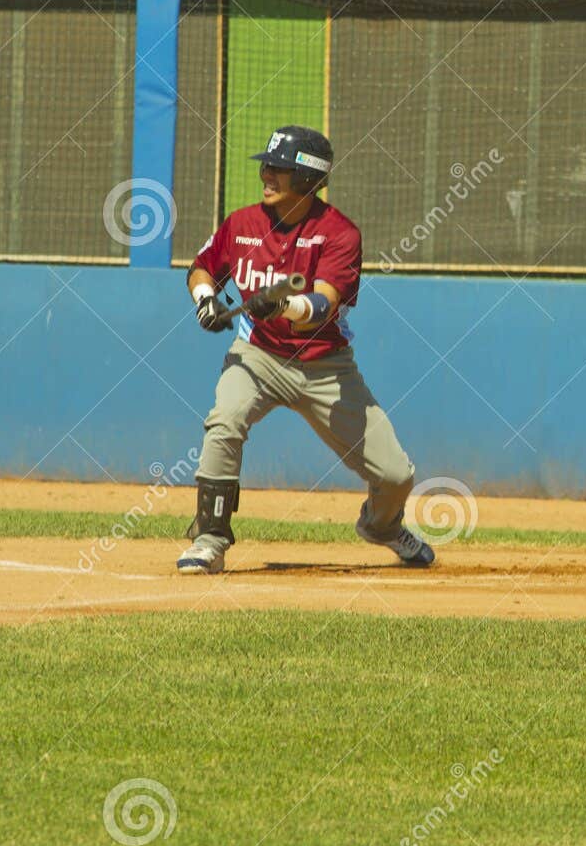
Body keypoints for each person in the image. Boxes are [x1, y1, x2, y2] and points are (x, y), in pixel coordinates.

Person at [177, 125, 432, 574]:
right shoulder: (242, 223)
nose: (267, 176)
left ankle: (382, 526)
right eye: (268, 167)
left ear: (308, 181)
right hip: (257, 356)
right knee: (225, 420)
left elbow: (322, 306)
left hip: (324, 365)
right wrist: (205, 302)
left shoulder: (339, 234)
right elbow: (202, 268)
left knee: (396, 476)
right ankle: (210, 537)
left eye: (280, 169)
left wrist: (284, 304)